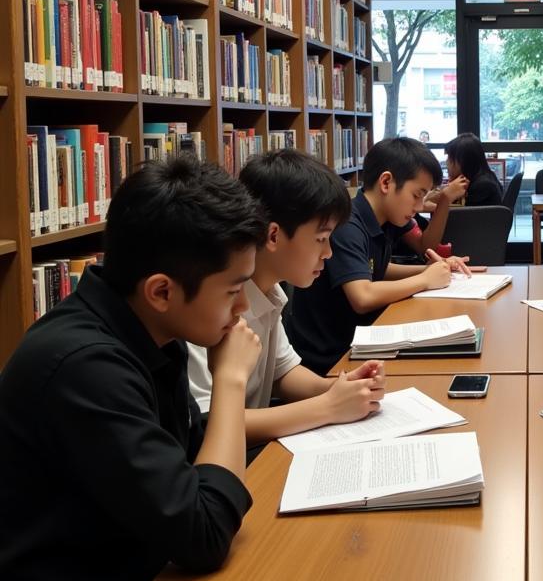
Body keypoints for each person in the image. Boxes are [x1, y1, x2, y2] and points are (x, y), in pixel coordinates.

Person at [0, 155, 267, 581]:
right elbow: (205, 532)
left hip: (138, 577)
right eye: (233, 291)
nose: (242, 311)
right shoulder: (85, 366)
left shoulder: (147, 332)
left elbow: (192, 454)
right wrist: (231, 380)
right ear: (162, 291)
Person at [188, 149, 386, 447]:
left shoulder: (271, 291)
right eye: (321, 239)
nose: (329, 253)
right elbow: (209, 421)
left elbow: (284, 372)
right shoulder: (210, 305)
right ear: (273, 236)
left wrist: (337, 387)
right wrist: (329, 406)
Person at [284, 137, 470, 375]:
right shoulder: (347, 224)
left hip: (361, 339)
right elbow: (362, 297)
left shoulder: (386, 217)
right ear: (386, 183)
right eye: (417, 195)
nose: (420, 205)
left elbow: (376, 268)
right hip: (332, 358)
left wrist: (433, 270)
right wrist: (425, 280)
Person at [443, 132, 502, 206]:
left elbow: (458, 214)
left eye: (449, 157)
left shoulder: (482, 186)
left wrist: (448, 193)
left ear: (463, 160)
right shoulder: (483, 177)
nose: (447, 162)